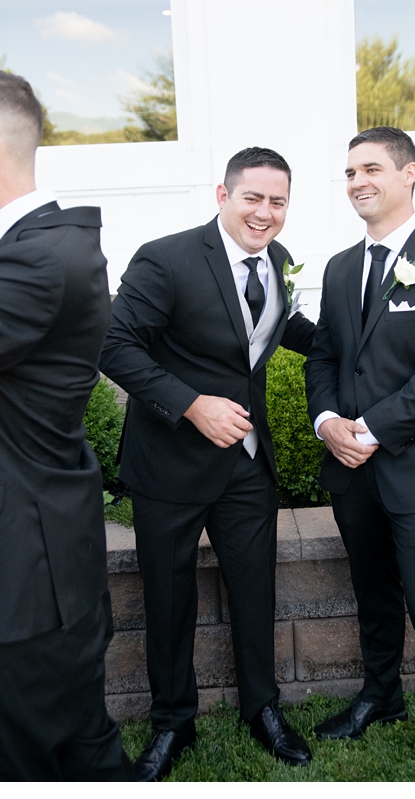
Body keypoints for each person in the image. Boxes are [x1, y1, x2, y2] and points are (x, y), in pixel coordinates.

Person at [100, 147, 316, 780]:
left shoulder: (275, 260)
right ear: (222, 196)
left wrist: (357, 337)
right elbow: (114, 345)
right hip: (169, 465)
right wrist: (191, 405)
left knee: (256, 593)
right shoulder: (165, 257)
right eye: (253, 197)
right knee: (168, 601)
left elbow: (273, 329)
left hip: (246, 464)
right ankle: (173, 721)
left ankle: (262, 708)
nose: (265, 212)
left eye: (277, 201)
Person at [0, 69, 134, 782]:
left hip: (15, 580)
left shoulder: (40, 260)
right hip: (21, 558)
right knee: (74, 751)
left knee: (13, 762)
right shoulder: (30, 248)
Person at [305, 126, 415, 783]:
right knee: (373, 594)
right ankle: (381, 697)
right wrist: (327, 420)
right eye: (350, 172)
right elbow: (324, 353)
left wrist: (370, 430)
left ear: (409, 173)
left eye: (371, 168)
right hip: (352, 473)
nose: (357, 182)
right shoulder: (339, 267)